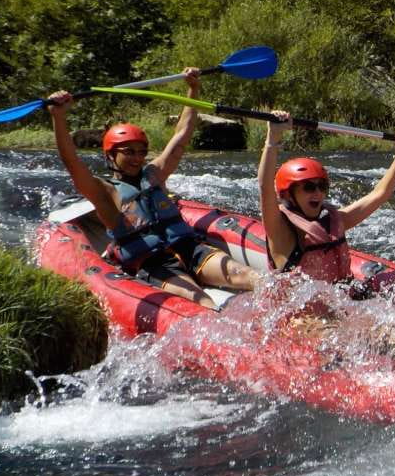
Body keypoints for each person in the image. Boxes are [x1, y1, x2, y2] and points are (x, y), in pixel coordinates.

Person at [47, 68, 260, 310]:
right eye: (128, 152)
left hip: (189, 248)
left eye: (141, 152)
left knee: (248, 276)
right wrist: (58, 117)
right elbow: (72, 162)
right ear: (110, 155)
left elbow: (181, 136)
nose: (137, 158)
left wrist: (193, 89)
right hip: (153, 263)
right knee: (204, 304)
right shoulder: (104, 192)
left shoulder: (154, 174)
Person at [255, 111, 395, 283]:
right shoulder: (280, 231)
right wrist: (272, 138)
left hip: (340, 303)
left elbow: (379, 194)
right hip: (302, 310)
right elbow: (265, 188)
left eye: (322, 186)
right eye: (308, 187)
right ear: (287, 194)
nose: (318, 193)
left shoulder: (335, 221)